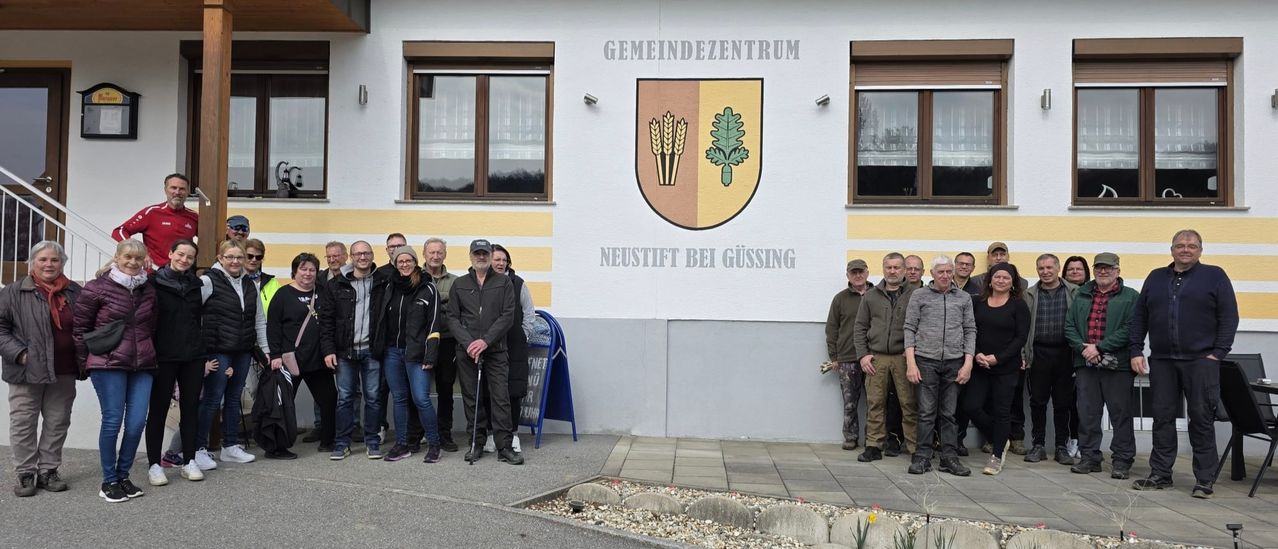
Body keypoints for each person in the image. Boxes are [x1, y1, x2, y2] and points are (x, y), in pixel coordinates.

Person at [1130, 230, 1238, 499]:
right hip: (1163, 360)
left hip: (1201, 361)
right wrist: (1136, 349)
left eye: (1192, 246)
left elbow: (1229, 316)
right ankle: (1161, 474)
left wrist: (1218, 353)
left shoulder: (1215, 276)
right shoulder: (1156, 277)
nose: (1185, 249)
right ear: (1171, 250)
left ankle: (1204, 479)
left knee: (1201, 419)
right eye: (1180, 245)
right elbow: (1140, 316)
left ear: (1200, 250)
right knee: (1162, 418)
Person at [73, 239, 157, 503]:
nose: (132, 262)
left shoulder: (149, 289)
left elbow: (152, 326)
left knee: (136, 423)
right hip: (106, 363)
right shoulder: (97, 288)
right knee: (112, 421)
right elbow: (80, 330)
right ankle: (108, 480)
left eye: (137, 258)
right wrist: (83, 364)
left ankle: (123, 476)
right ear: (117, 257)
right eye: (127, 257)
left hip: (141, 363)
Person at [0, 241, 81, 497]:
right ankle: (26, 472)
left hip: (64, 369)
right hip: (26, 370)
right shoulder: (13, 292)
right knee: (24, 422)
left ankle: (48, 470)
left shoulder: (73, 292)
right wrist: (20, 354)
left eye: (55, 260)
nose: (49, 264)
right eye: (43, 259)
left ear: (62, 263)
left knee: (57, 421)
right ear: (33, 262)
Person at [192, 240, 268, 470]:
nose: (235, 262)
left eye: (239, 257)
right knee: (213, 399)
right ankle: (198, 449)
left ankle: (230, 446)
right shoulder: (207, 281)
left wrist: (266, 351)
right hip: (216, 349)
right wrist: (200, 354)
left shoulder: (250, 284)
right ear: (220, 257)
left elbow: (259, 320)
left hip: (242, 350)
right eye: (230, 257)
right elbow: (193, 317)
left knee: (234, 398)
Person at [1066, 252, 1139, 481]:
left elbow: (1130, 329)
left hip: (1118, 366)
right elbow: (1069, 326)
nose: (1103, 272)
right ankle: (1089, 457)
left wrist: (1100, 347)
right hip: (1086, 364)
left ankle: (1122, 460)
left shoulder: (1130, 297)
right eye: (1099, 268)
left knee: (1120, 414)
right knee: (1087, 413)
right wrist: (1083, 348)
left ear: (1117, 270)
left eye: (1108, 268)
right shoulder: (1083, 294)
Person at [449, 239, 520, 465]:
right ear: (470, 256)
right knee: (473, 399)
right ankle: (475, 444)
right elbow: (452, 317)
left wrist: (486, 341)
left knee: (501, 398)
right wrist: (470, 343)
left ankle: (505, 447)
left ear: (490, 256)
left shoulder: (503, 282)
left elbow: (508, 315)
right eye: (477, 253)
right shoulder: (459, 284)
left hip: (496, 350)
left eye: (485, 253)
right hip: (468, 352)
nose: (481, 257)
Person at [903, 255, 975, 477]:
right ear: (932, 274)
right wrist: (911, 363)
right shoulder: (919, 295)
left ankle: (948, 458)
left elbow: (970, 329)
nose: (945, 276)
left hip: (954, 363)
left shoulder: (963, 298)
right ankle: (922, 457)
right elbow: (909, 328)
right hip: (925, 361)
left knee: (949, 414)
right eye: (940, 272)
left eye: (948, 271)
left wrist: (968, 363)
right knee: (925, 412)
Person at [143, 240, 208, 487]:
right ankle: (154, 465)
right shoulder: (153, 283)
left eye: (189, 257)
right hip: (163, 355)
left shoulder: (196, 284)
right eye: (180, 254)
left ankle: (189, 460)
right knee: (158, 410)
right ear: (170, 254)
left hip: (192, 354)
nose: (184, 259)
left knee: (191, 409)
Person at [320, 240, 387, 460]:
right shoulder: (336, 284)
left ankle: (373, 442)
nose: (362, 257)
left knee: (374, 398)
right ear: (351, 256)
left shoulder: (382, 281)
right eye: (358, 254)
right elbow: (327, 320)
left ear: (372, 255)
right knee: (345, 398)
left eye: (366, 253)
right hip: (344, 351)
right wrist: (328, 350)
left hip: (372, 350)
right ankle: (342, 443)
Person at [379, 246, 446, 463]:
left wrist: (430, 356)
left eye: (408, 260)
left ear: (416, 262)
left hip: (417, 353)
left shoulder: (427, 287)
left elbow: (434, 324)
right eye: (400, 261)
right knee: (399, 399)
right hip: (392, 352)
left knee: (421, 399)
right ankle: (402, 444)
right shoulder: (391, 285)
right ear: (395, 264)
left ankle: (435, 444)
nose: (404, 264)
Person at [267, 253, 336, 459]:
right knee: (283, 404)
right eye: (303, 269)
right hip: (290, 360)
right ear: (295, 272)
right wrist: (275, 355)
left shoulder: (323, 292)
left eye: (312, 269)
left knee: (329, 399)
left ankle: (328, 440)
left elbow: (329, 323)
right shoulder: (282, 295)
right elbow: (273, 327)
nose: (308, 273)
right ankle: (277, 447)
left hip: (318, 359)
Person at [964, 263, 1030, 475]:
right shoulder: (977, 302)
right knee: (971, 405)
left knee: (1002, 411)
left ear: (1013, 282)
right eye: (997, 277)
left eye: (1006, 278)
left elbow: (1021, 337)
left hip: (1006, 367)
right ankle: (999, 437)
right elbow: (969, 330)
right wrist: (977, 353)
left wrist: (998, 358)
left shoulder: (1018, 305)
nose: (1001, 280)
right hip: (979, 364)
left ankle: (996, 455)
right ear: (990, 280)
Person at [853, 253, 918, 463]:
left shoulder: (916, 294)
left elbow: (923, 326)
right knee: (875, 403)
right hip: (877, 358)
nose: (892, 271)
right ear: (883, 268)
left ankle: (916, 447)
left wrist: (912, 353)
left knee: (909, 403)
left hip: (903, 357)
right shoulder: (871, 296)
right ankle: (873, 446)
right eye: (889, 267)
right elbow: (860, 327)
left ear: (904, 270)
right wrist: (863, 355)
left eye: (897, 267)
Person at [1022, 253, 1079, 466]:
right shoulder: (1029, 294)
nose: (1045, 272)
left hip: (1066, 353)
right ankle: (1038, 445)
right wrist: (1023, 354)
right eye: (1041, 268)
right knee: (1037, 401)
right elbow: (1023, 328)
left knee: (1063, 402)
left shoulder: (1074, 292)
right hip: (1038, 353)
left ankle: (1061, 447)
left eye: (1049, 267)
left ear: (1057, 268)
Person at [485, 244, 535, 454]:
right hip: (490, 346)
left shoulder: (518, 284)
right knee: (489, 391)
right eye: (496, 259)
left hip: (514, 347)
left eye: (503, 259)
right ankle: (490, 435)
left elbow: (529, 313)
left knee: (513, 392)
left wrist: (523, 336)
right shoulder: (482, 283)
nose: (500, 263)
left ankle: (512, 434)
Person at [826, 258, 870, 451]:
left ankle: (874, 439)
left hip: (873, 357)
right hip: (847, 357)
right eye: (854, 273)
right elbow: (831, 329)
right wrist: (834, 357)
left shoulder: (878, 295)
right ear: (848, 276)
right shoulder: (840, 299)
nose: (858, 275)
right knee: (850, 402)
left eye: (861, 271)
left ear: (867, 272)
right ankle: (851, 437)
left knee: (876, 402)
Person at [112, 173, 198, 269]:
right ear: (165, 190)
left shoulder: (194, 216)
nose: (177, 192)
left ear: (187, 192)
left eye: (182, 189)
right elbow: (119, 231)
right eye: (173, 188)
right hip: (154, 273)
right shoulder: (152, 212)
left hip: (183, 274)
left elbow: (208, 240)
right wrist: (139, 252)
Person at [424, 237, 461, 452]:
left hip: (447, 341)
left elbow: (457, 308)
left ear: (444, 254)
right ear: (424, 254)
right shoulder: (415, 277)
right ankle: (419, 432)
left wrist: (436, 298)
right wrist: (442, 300)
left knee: (446, 389)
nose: (435, 256)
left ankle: (444, 434)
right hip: (422, 343)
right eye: (431, 252)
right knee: (418, 391)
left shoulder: (455, 281)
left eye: (439, 252)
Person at [1059, 254, 1091, 457]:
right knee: (1068, 401)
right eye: (1070, 269)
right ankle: (1072, 439)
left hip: (1089, 352)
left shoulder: (1092, 292)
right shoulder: (1060, 291)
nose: (1074, 272)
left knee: (1086, 401)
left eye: (1079, 269)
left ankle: (1085, 441)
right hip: (1065, 352)